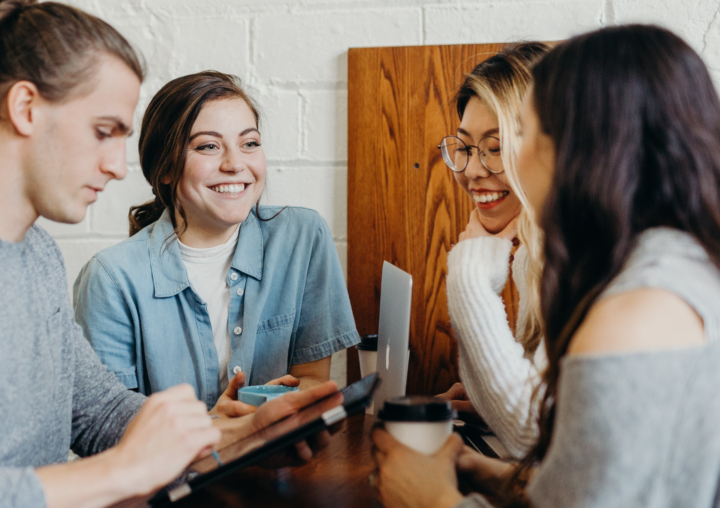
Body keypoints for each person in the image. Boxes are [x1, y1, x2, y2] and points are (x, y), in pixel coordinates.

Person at [0, 2, 339, 507]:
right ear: (25, 108)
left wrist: (238, 439)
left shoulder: (35, 252)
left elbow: (98, 412)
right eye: (103, 131)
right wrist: (121, 471)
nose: (115, 166)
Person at [373, 24, 720, 508]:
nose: (490, 163)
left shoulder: (634, 313)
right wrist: (490, 476)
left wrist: (430, 499)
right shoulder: (671, 268)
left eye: (524, 133)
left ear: (584, 148)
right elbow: (595, 485)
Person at [73, 71, 360, 414]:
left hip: (279, 461)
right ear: (164, 168)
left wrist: (277, 405)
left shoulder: (303, 237)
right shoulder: (110, 278)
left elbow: (313, 379)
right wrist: (218, 429)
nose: (235, 164)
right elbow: (109, 426)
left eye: (249, 143)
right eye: (208, 146)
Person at [437, 42, 549, 458]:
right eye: (464, 147)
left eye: (496, 147)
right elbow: (542, 418)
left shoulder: (582, 256)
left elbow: (531, 435)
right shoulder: (533, 254)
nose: (471, 170)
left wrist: (468, 275)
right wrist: (488, 402)